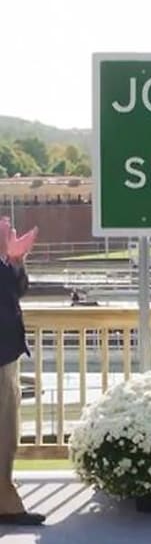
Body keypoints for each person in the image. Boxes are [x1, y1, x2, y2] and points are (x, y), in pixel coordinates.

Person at [0, 217, 42, 526]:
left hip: (7, 355)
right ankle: (6, 504)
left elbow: (18, 291)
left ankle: (6, 497)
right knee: (3, 431)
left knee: (8, 429)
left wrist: (15, 260)